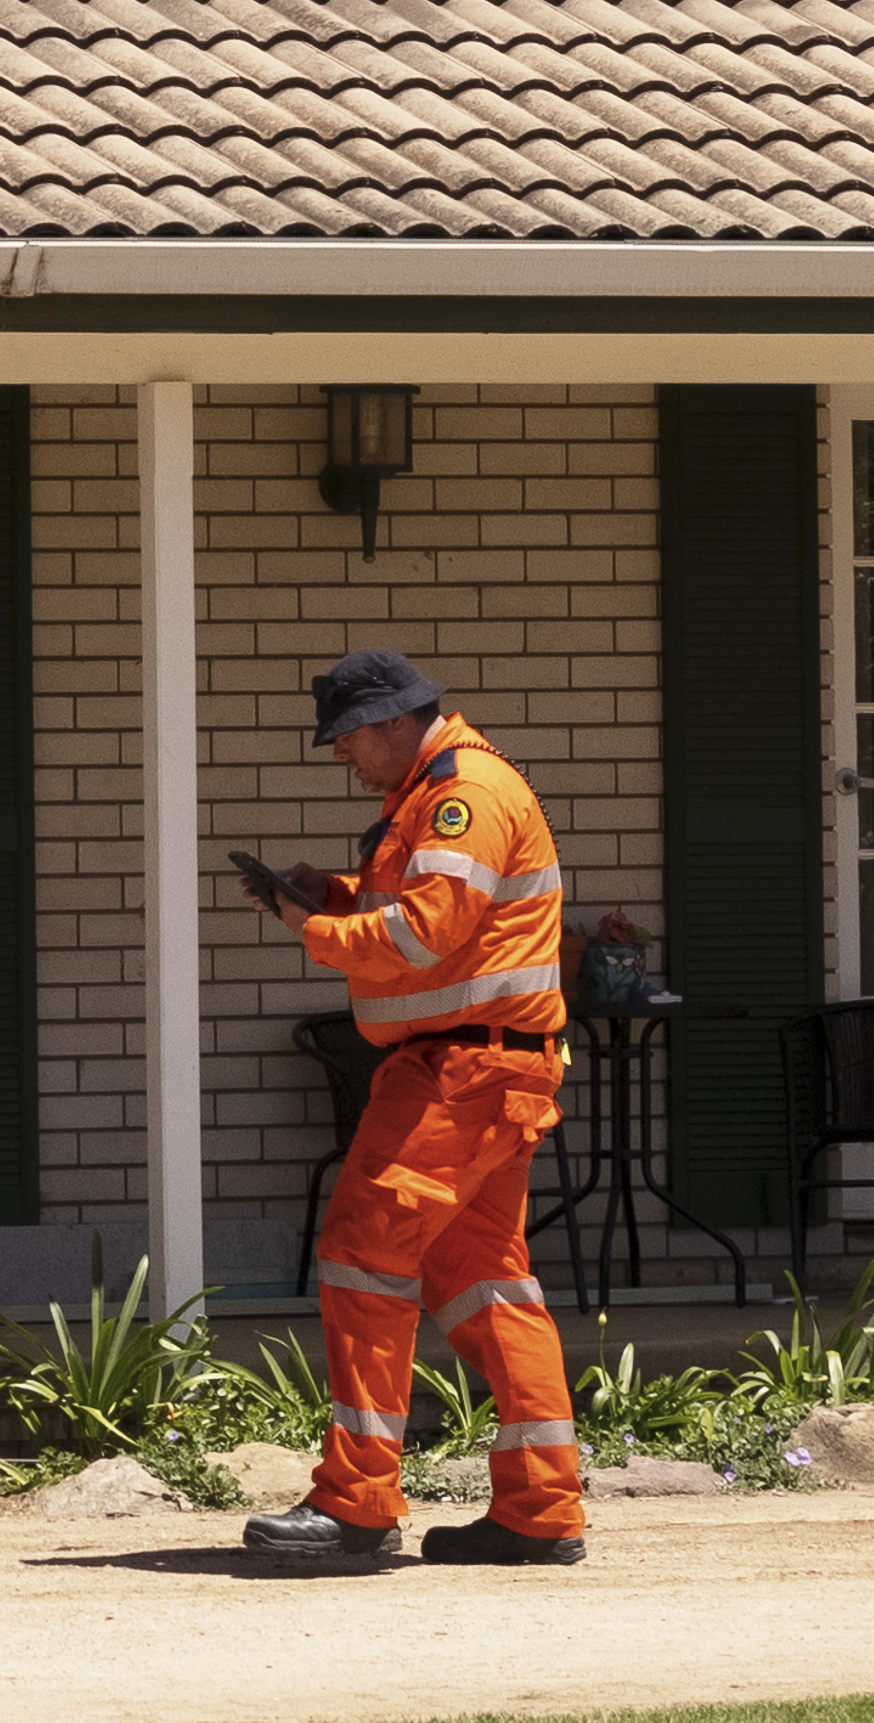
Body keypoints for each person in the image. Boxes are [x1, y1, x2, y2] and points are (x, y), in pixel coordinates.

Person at [236, 646, 585, 1572]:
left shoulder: (461, 794)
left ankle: (355, 1504)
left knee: (363, 1254)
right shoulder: (439, 792)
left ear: (395, 719)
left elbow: (420, 936)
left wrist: (306, 922)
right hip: (483, 1071)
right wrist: (337, 894)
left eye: (348, 736)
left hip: (460, 1075)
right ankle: (540, 1507)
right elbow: (426, 916)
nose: (343, 755)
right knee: (485, 1281)